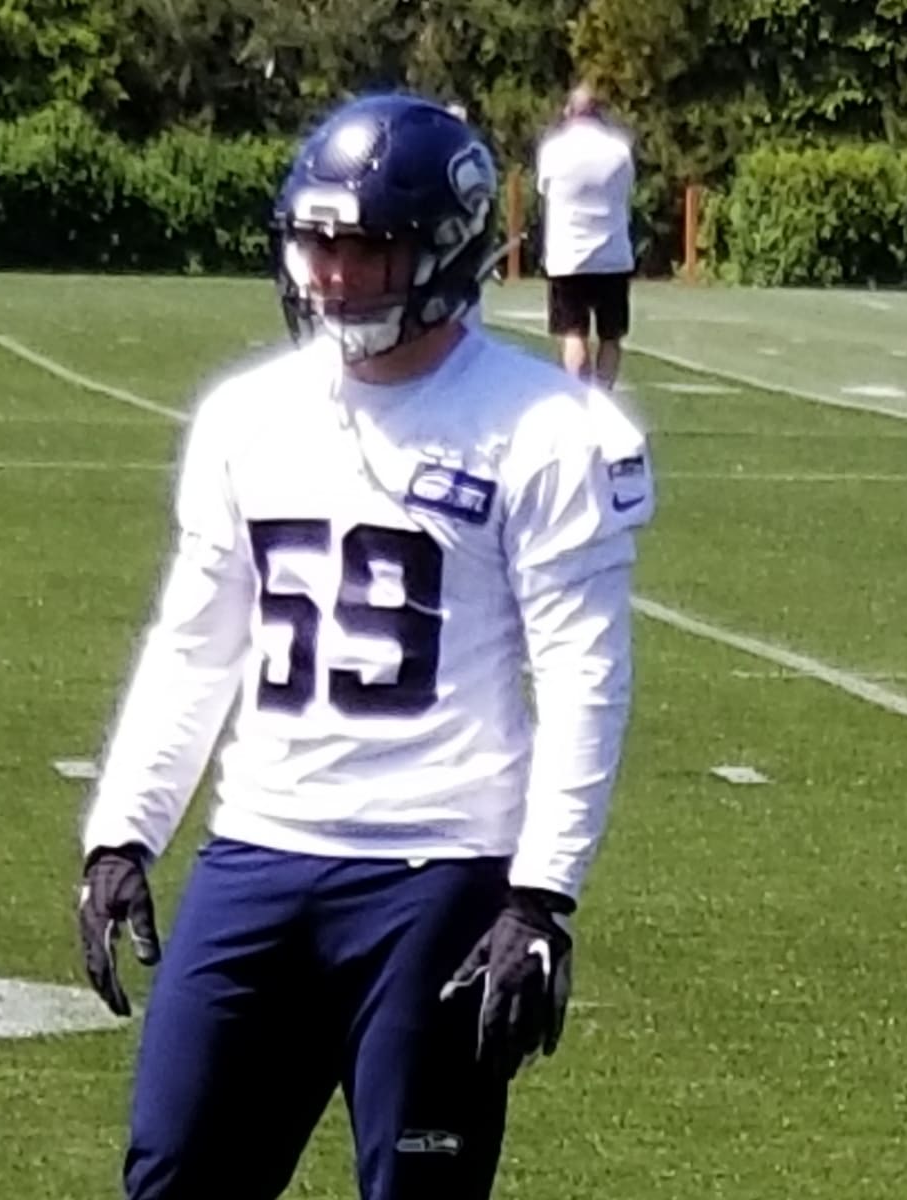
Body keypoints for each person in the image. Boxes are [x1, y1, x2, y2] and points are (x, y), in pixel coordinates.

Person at [77, 91, 655, 1200]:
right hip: (260, 851)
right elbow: (196, 642)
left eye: (366, 250)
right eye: (318, 244)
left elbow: (587, 677)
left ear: (446, 249)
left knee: (417, 1188)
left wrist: (541, 897)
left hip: (437, 870)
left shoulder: (542, 427)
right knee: (174, 1169)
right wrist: (124, 835)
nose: (331, 277)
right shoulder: (248, 414)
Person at [535, 82, 636, 390]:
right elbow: (627, 189)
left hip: (569, 256)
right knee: (610, 336)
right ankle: (602, 400)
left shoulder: (554, 149)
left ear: (569, 111)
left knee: (573, 332)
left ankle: (578, 398)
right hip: (613, 255)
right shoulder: (619, 150)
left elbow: (544, 189)